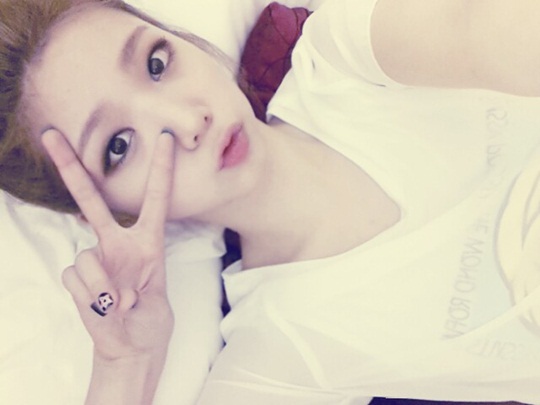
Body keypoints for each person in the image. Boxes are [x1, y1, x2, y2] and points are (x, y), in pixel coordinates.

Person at [2, 0, 540, 403]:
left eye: (157, 63)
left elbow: (481, 28)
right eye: (119, 146)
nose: (189, 121)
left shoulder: (342, 61)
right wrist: (126, 367)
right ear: (105, 207)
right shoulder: (281, 353)